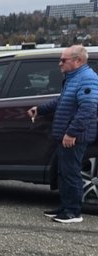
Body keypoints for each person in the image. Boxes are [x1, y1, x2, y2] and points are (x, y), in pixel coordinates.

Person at [28, 45, 98, 224]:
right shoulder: (73, 78)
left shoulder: (87, 79)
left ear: (78, 60)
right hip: (65, 135)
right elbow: (62, 101)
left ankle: (73, 212)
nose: (60, 63)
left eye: (63, 60)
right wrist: (40, 109)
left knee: (71, 173)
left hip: (74, 137)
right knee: (63, 172)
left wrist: (72, 133)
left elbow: (88, 108)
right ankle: (65, 207)